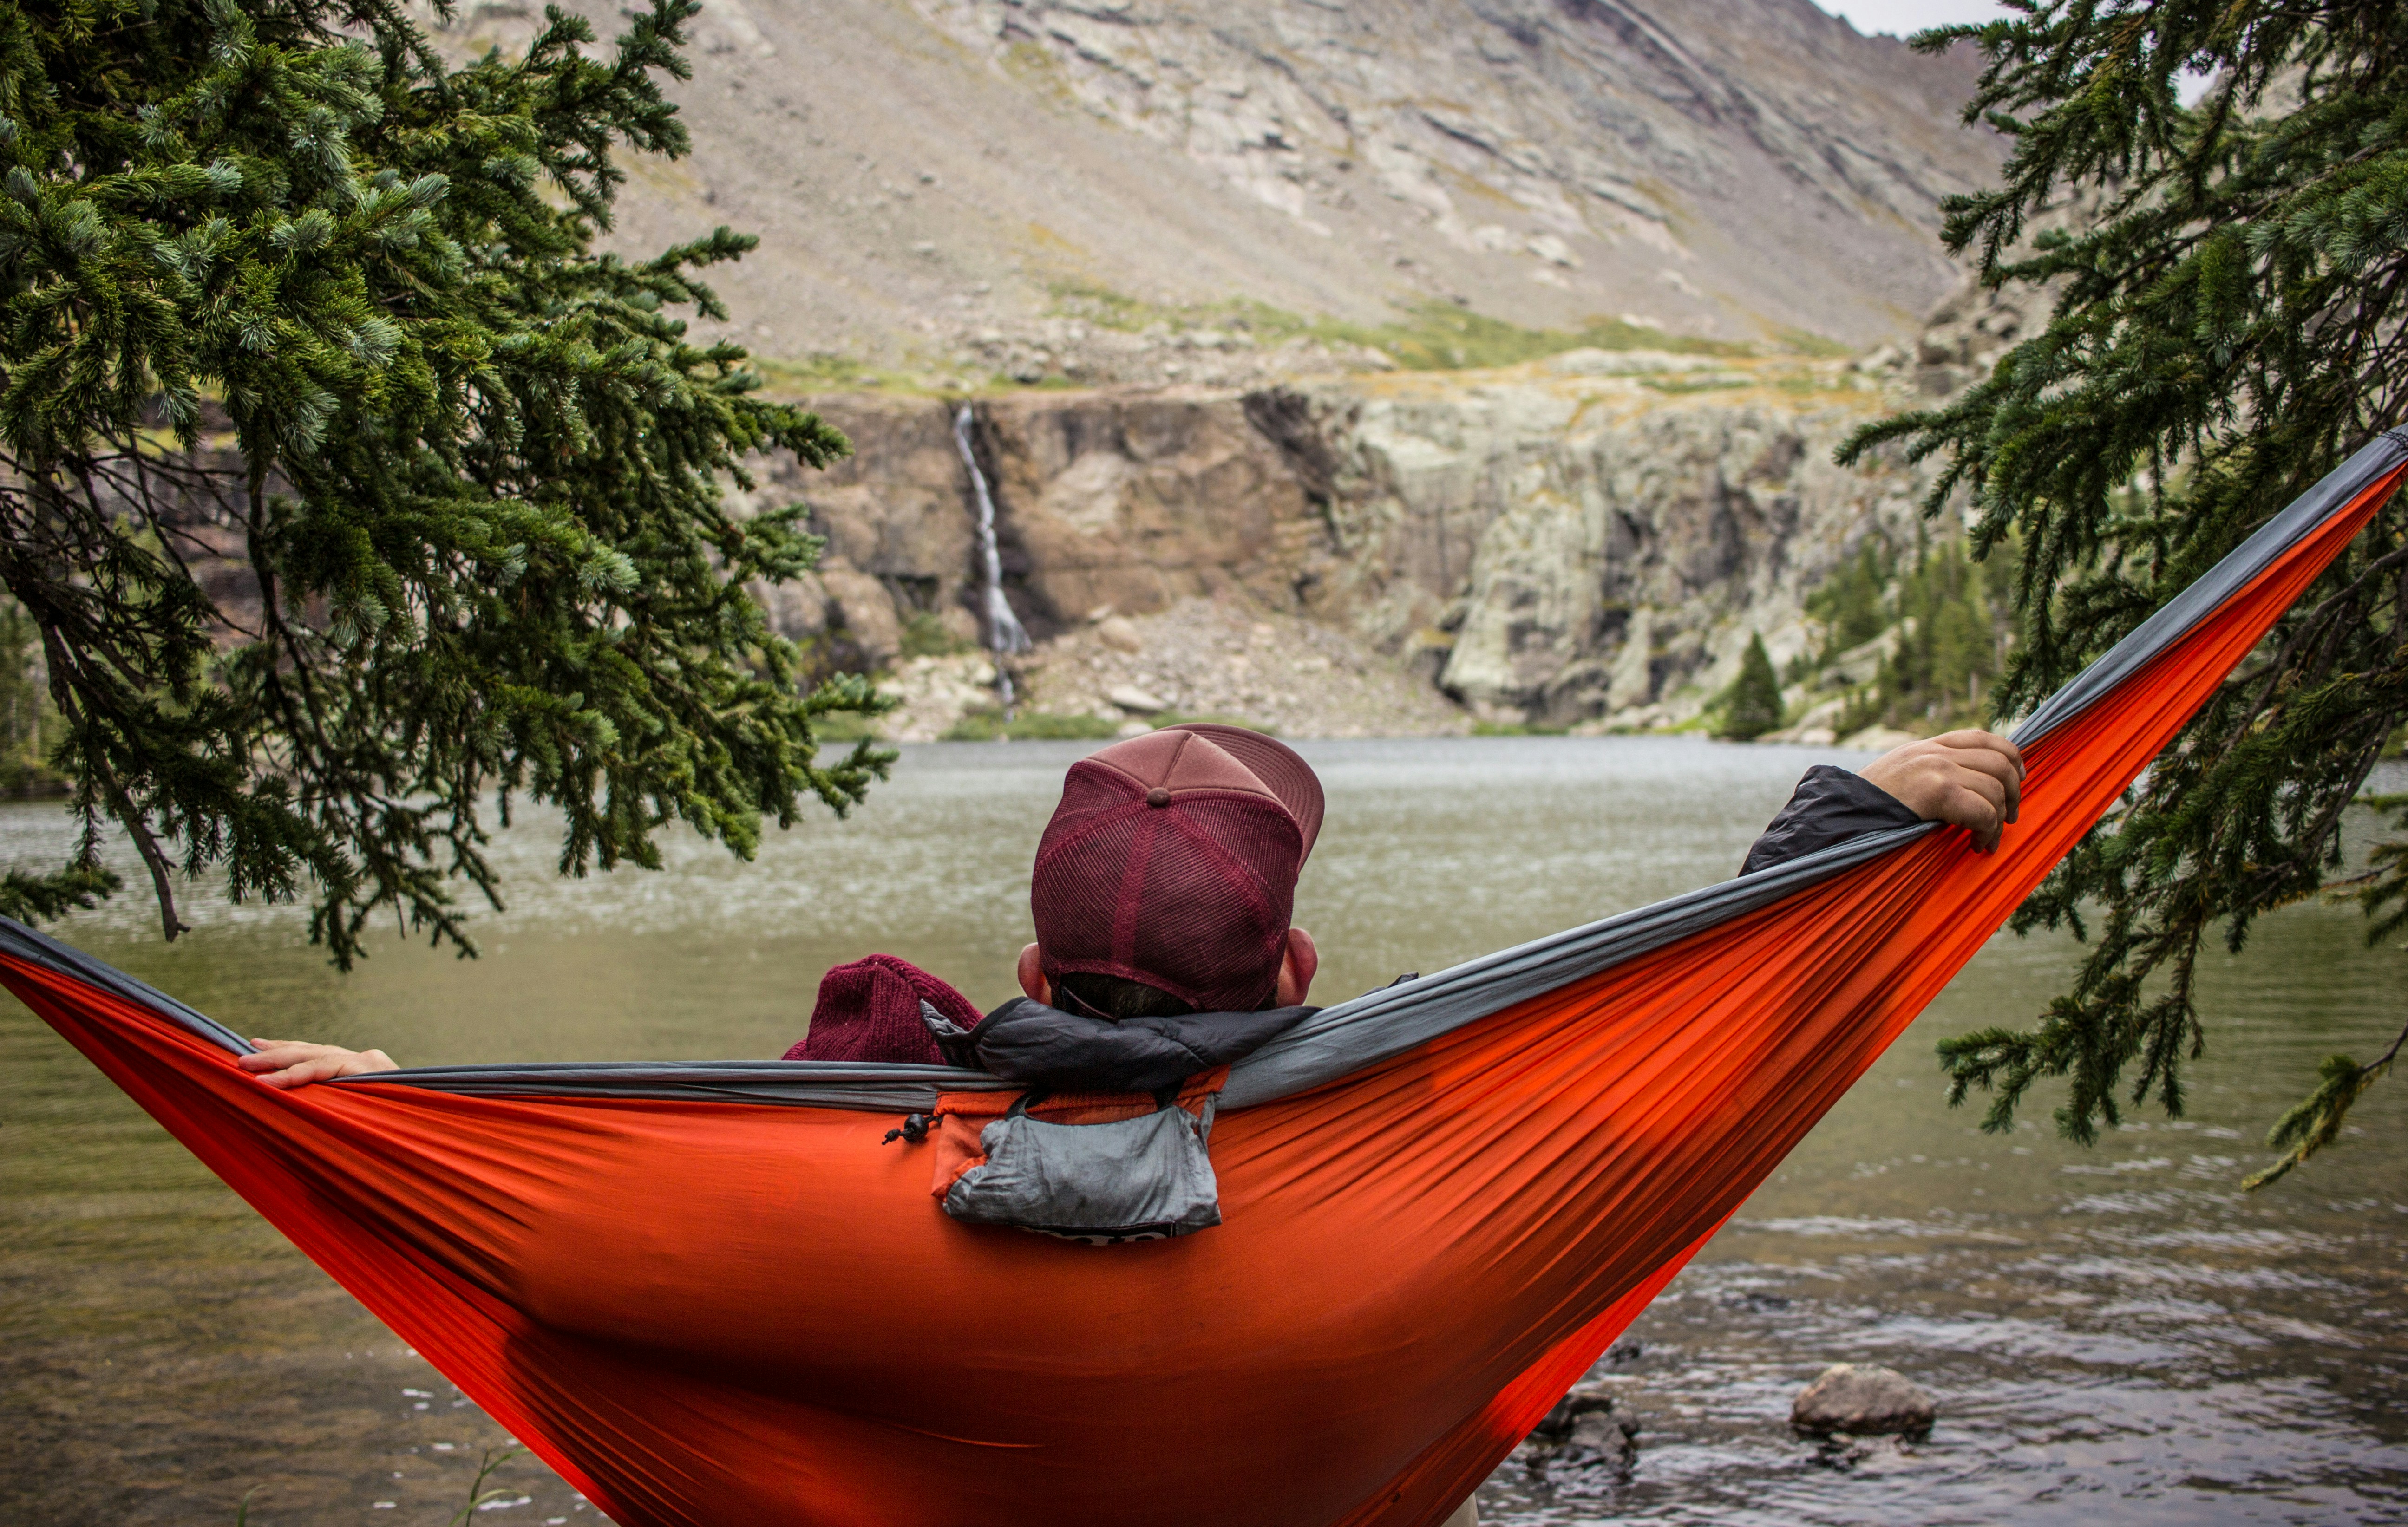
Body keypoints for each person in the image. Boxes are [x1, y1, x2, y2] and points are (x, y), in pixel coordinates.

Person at [241, 724, 2024, 1087]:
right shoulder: (1394, 1098)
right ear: (1294, 957)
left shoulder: (882, 1108)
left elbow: (616, 1166)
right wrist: (1842, 813)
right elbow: (1690, 1029)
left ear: (1026, 967)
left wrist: (395, 1101)